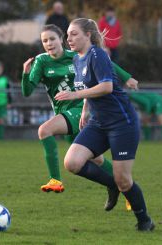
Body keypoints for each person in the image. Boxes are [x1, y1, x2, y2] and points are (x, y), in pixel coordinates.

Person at [22, 24, 137, 211]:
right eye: (44, 41)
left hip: (80, 108)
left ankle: (55, 180)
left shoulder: (76, 56)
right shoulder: (41, 62)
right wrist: (25, 73)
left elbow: (107, 63)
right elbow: (27, 92)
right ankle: (124, 189)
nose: (49, 43)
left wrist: (127, 77)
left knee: (44, 130)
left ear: (61, 40)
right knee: (96, 159)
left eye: (52, 39)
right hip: (62, 114)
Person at [55, 18, 154, 231]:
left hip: (121, 123)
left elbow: (107, 86)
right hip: (98, 123)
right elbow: (87, 86)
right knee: (72, 162)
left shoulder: (97, 54)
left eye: (74, 34)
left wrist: (76, 94)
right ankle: (111, 185)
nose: (68, 38)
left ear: (88, 35)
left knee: (124, 180)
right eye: (68, 34)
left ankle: (145, 220)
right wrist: (84, 109)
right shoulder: (77, 60)